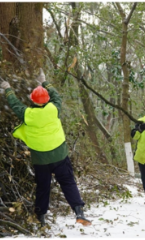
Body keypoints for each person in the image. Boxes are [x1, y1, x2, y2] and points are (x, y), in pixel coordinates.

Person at [0, 69, 91, 227]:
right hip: (60, 155)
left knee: (43, 186)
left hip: (41, 159)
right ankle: (79, 212)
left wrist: (7, 88)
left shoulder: (28, 114)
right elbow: (57, 96)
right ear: (47, 100)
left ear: (32, 100)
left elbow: (15, 104)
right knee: (68, 182)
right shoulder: (54, 109)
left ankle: (41, 217)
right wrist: (44, 82)